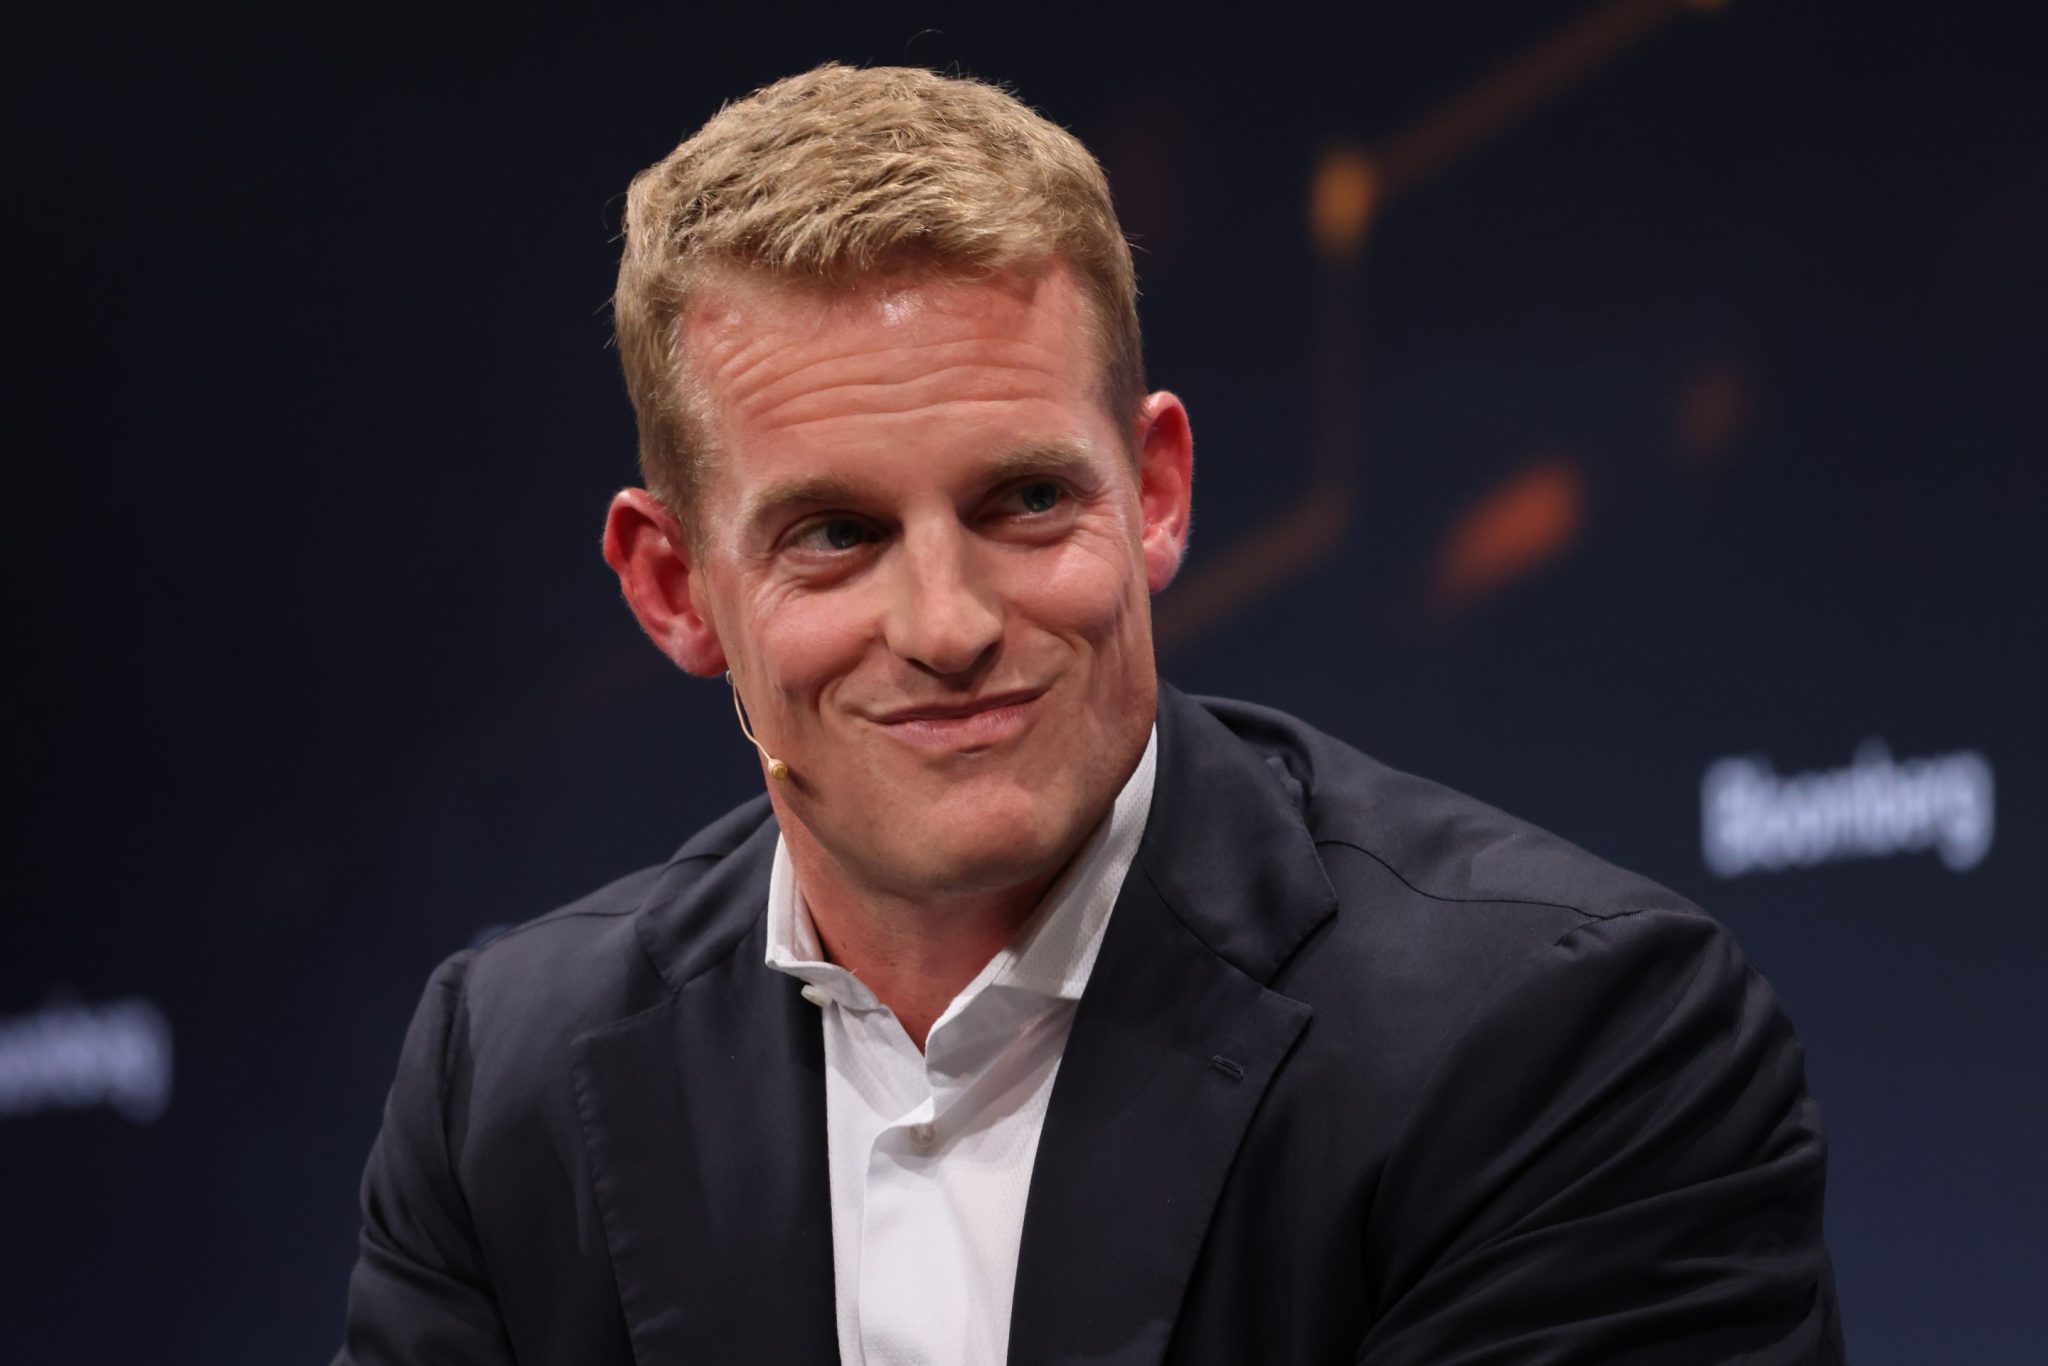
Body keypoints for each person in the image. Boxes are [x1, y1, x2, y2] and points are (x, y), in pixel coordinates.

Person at [336, 64, 1844, 1365]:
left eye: (1026, 500)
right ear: (674, 587)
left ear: (1157, 491)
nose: (948, 625)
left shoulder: (1564, 1040)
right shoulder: (504, 1079)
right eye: (836, 535)